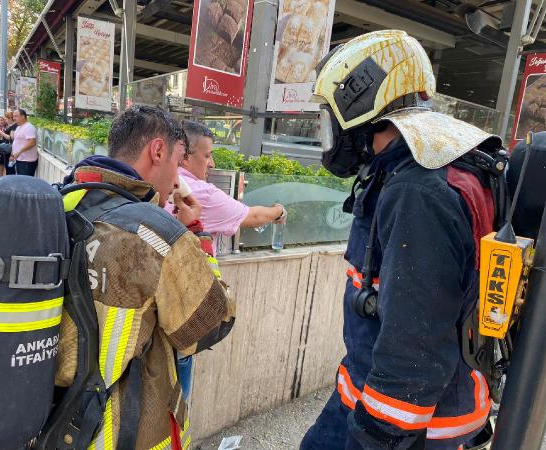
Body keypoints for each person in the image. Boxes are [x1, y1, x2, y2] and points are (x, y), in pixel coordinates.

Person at [300, 30, 501, 450]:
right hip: (407, 400)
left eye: (330, 114)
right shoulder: (435, 167)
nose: (330, 129)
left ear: (360, 99)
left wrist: (380, 436)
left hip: (405, 421)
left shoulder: (418, 190)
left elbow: (415, 343)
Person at [56, 105, 235, 449]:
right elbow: (214, 321)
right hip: (119, 432)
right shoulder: (156, 234)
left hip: (53, 426)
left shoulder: (65, 200)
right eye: (179, 160)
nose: (179, 175)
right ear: (157, 151)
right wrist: (196, 234)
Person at [166, 120, 287, 256]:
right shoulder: (205, 194)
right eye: (207, 156)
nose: (212, 163)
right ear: (185, 157)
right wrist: (279, 211)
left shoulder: (161, 181)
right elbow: (255, 217)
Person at [10, 109, 38, 176]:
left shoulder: (29, 127)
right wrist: (12, 154)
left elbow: (32, 142)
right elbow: (16, 142)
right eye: (13, 116)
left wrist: (19, 152)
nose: (14, 118)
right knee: (20, 182)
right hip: (19, 159)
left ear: (23, 116)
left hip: (27, 162)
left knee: (25, 183)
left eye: (16, 116)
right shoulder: (19, 127)